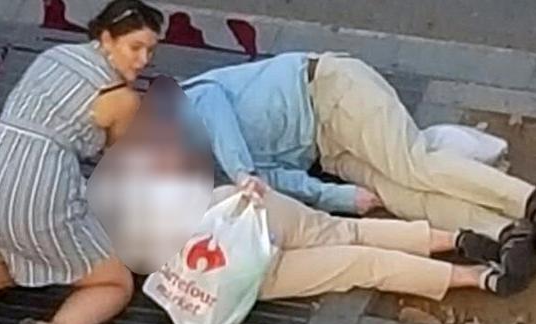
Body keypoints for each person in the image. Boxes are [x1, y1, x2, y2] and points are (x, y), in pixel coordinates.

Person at [0, 0, 163, 324]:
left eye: (151, 50)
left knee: (2, 243)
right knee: (115, 282)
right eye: (135, 47)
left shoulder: (57, 54)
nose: (143, 59)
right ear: (106, 38)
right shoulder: (121, 98)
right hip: (36, 194)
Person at [181, 52, 536, 244]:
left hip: (328, 90)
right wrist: (341, 198)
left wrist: (242, 172)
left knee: (412, 165)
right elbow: (271, 178)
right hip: (327, 151)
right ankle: (504, 232)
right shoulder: (206, 171)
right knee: (398, 196)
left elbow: (212, 103)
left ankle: (528, 201)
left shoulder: (176, 106)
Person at [210, 186, 536, 300]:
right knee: (347, 230)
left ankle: (481, 278)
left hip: (232, 265)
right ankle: (458, 239)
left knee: (363, 265)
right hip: (236, 205)